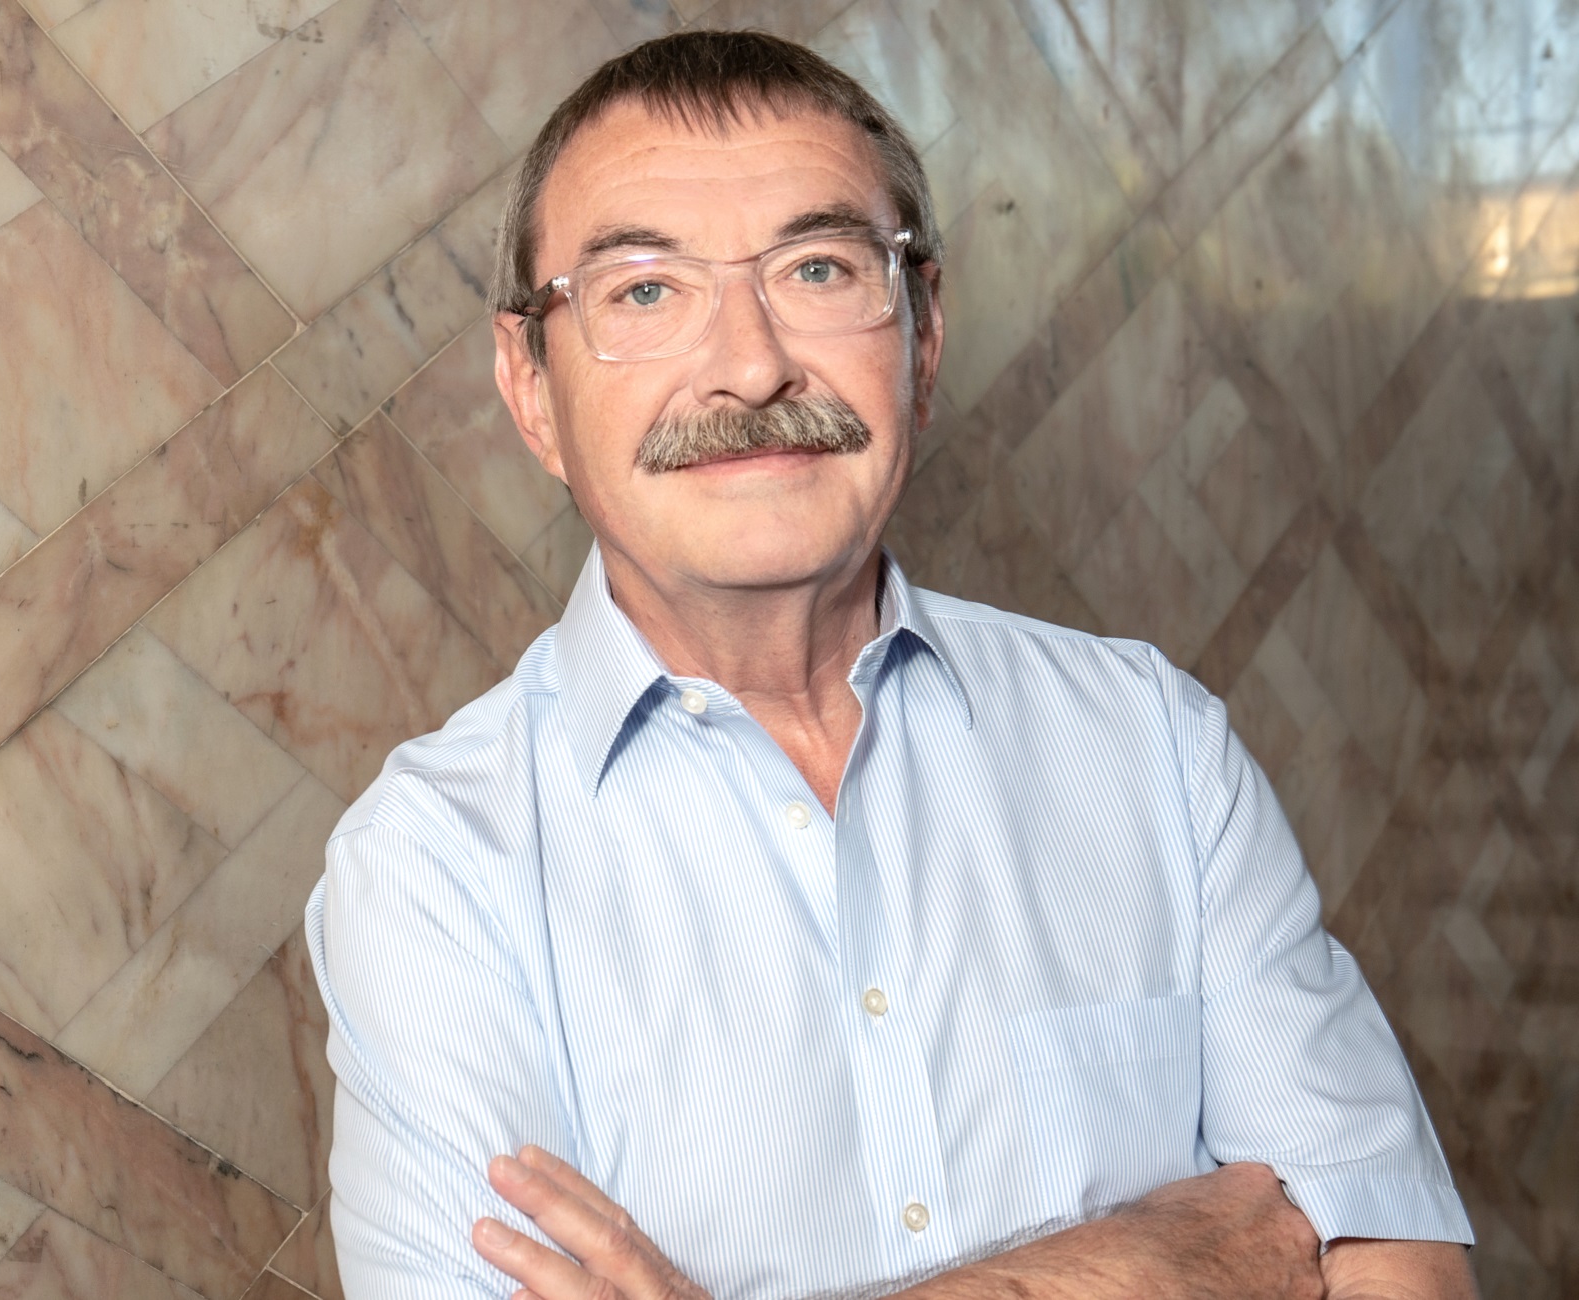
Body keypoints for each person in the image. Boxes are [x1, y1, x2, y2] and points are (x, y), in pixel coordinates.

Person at [304, 29, 1477, 1300]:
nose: (751, 367)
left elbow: (1401, 1270)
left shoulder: (1152, 742)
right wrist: (1142, 1262)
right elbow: (1289, 1249)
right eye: (643, 291)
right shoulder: (433, 868)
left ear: (922, 335)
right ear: (530, 386)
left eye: (818, 269)